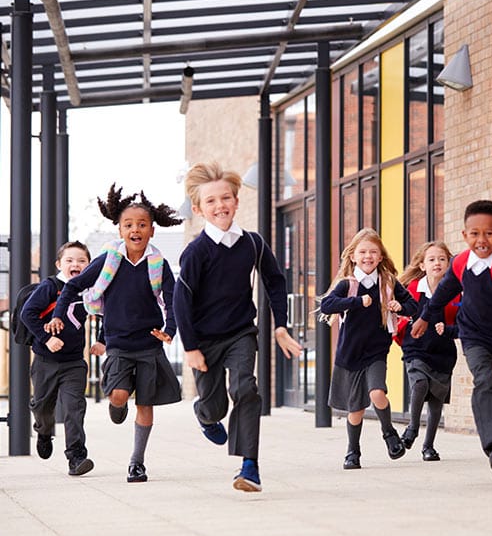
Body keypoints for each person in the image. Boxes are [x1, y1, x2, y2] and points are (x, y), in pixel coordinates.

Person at [173, 161, 302, 493]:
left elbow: (274, 281)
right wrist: (190, 348)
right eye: (212, 201)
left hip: (241, 333)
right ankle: (204, 414)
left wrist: (280, 326)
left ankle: (249, 466)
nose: (221, 206)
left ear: (236, 201)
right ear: (200, 209)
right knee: (214, 404)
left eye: (226, 198)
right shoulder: (195, 252)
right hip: (203, 339)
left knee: (246, 389)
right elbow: (181, 301)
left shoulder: (253, 243)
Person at [47, 185, 183, 483]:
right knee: (120, 395)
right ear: (120, 230)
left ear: (152, 231)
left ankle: (137, 463)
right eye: (129, 225)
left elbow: (172, 300)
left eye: (142, 225)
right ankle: (116, 404)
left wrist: (170, 329)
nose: (136, 229)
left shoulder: (158, 263)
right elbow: (73, 286)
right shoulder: (109, 259)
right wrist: (58, 315)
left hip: (149, 343)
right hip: (118, 343)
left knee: (145, 404)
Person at [411, 200, 492, 479]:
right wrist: (425, 316)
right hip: (473, 336)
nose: (481, 239)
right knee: (485, 382)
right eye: (474, 233)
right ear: (464, 235)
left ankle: (490, 412)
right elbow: (443, 292)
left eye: (489, 233)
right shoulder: (462, 262)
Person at [320, 228, 418, 470]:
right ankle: (353, 451)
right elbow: (327, 304)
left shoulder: (388, 282)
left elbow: (413, 306)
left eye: (373, 252)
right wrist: (355, 302)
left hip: (376, 352)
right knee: (356, 410)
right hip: (350, 354)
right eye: (363, 252)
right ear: (353, 256)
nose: (368, 256)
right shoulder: (348, 284)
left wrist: (399, 306)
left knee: (377, 393)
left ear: (381, 257)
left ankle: (389, 434)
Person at [20, 241, 103, 476]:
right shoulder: (51, 286)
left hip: (74, 362)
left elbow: (107, 312)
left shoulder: (91, 290)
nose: (75, 264)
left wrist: (103, 340)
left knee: (74, 409)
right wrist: (46, 338)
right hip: (46, 361)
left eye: (82, 261)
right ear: (59, 264)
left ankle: (76, 457)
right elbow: (28, 313)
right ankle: (44, 431)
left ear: (89, 266)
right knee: (42, 407)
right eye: (69, 260)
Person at [398, 241, 459, 462]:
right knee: (420, 383)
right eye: (432, 259)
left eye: (442, 259)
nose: (437, 263)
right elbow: (400, 314)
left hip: (443, 350)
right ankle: (412, 428)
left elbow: (463, 319)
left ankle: (429, 446)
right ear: (422, 265)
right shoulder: (412, 289)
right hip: (416, 347)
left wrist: (452, 330)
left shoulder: (456, 291)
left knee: (436, 401)